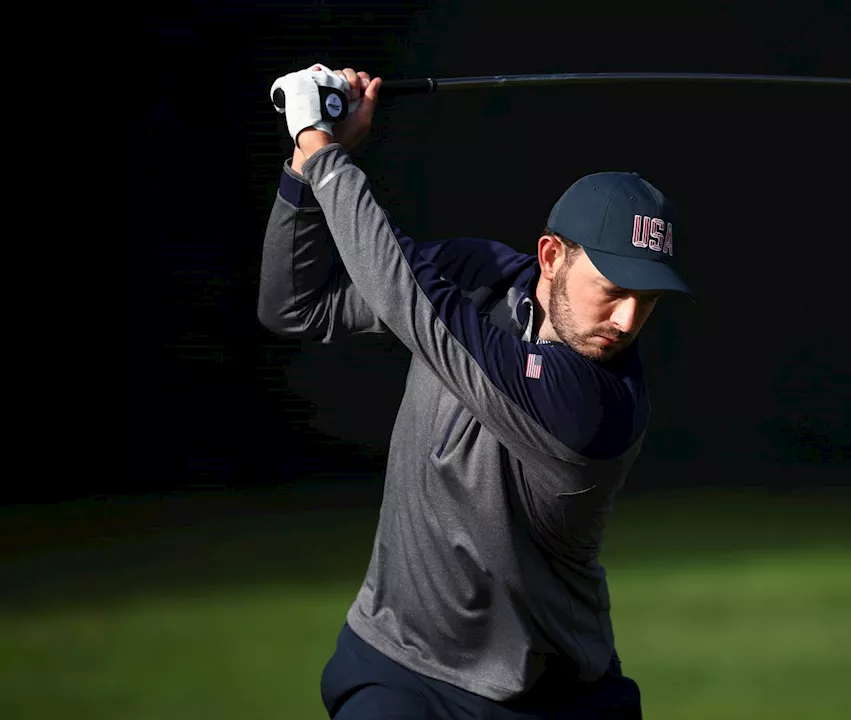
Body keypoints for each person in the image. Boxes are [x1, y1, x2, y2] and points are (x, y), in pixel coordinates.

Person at [258, 64, 695, 719]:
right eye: (614, 291)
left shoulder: (596, 409)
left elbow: (410, 299)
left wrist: (324, 151)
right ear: (551, 257)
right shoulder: (480, 276)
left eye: (649, 300)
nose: (629, 320)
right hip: (400, 668)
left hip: (553, 695)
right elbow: (296, 305)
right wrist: (303, 167)